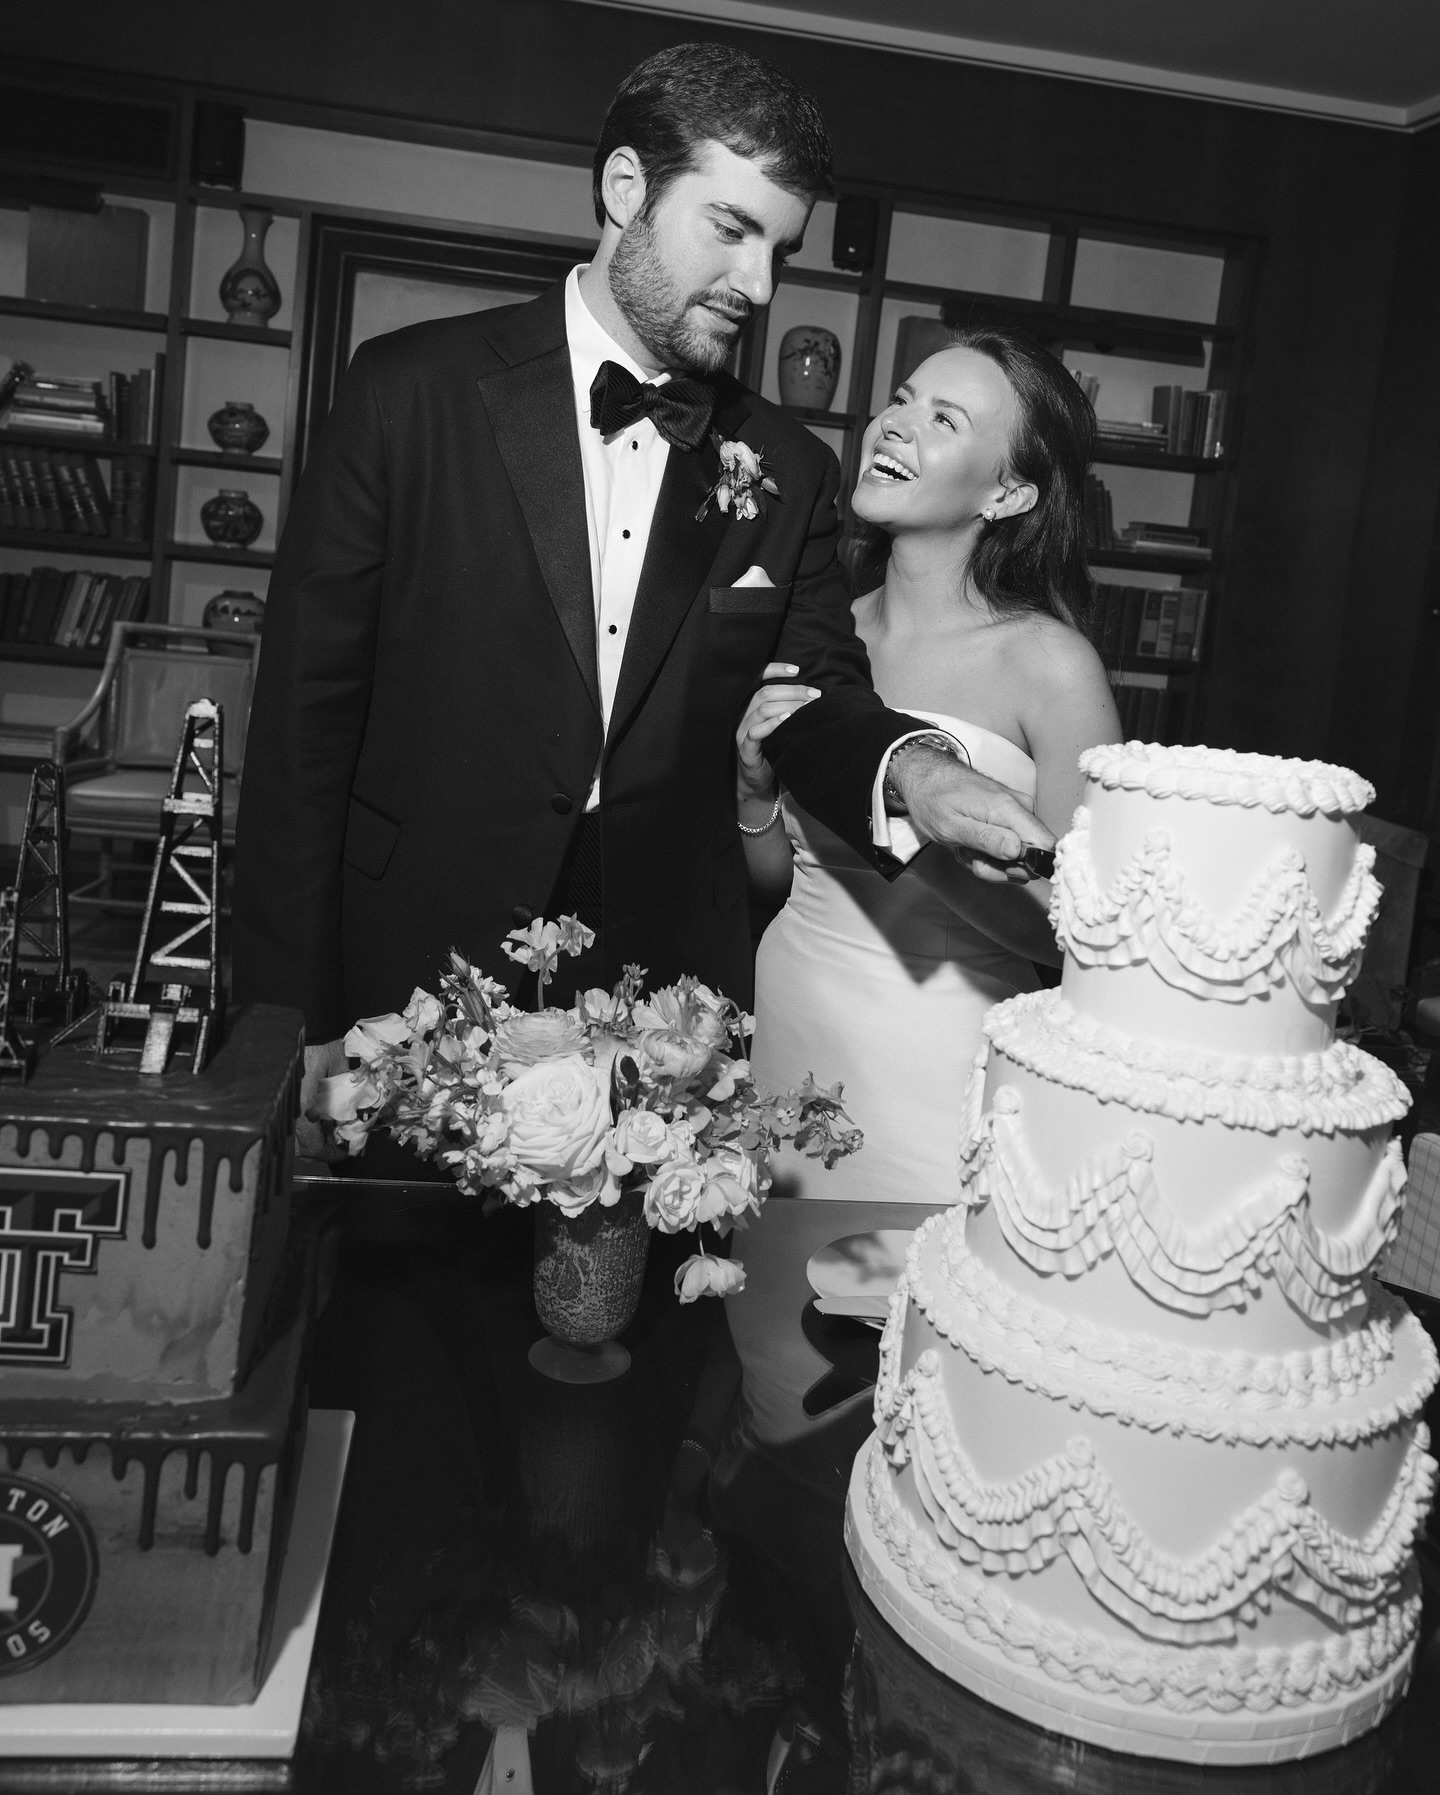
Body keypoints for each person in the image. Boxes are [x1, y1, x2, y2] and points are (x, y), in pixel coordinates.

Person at [231, 43, 1051, 1151]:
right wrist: (291, 1016)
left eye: (782, 247)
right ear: (626, 190)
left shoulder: (787, 467)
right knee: (397, 1311)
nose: (761, 286)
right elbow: (299, 734)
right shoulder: (404, 395)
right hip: (414, 959)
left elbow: (809, 691)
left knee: (636, 1322)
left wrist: (915, 770)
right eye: (731, 228)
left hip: (664, 1005)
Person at [740, 329, 1121, 1202]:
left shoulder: (1049, 664)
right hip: (788, 1020)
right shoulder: (821, 631)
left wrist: (915, 817)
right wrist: (753, 792)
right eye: (902, 399)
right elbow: (780, 876)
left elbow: (1083, 944)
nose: (894, 426)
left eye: (944, 417)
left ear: (1010, 489)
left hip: (931, 1063)